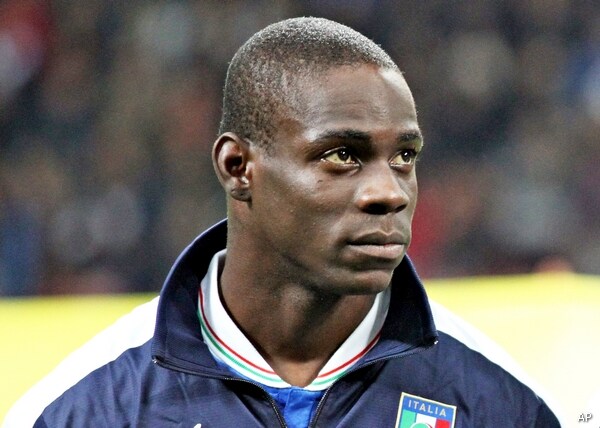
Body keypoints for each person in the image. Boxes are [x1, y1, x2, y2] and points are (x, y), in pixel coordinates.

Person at [4, 17, 561, 428]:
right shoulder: (84, 408)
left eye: (404, 157)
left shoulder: (503, 403)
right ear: (237, 167)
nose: (389, 193)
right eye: (343, 155)